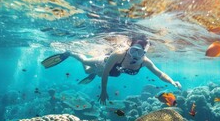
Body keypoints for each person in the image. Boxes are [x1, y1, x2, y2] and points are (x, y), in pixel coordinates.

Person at [41, 35, 182, 104]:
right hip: (104, 63)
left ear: (145, 53)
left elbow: (160, 74)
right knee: (86, 64)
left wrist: (172, 82)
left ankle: (91, 72)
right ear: (128, 49)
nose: (135, 56)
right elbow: (106, 73)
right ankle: (71, 53)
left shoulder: (144, 62)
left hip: (115, 72)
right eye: (133, 51)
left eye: (140, 53)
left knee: (88, 72)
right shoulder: (118, 54)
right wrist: (103, 91)